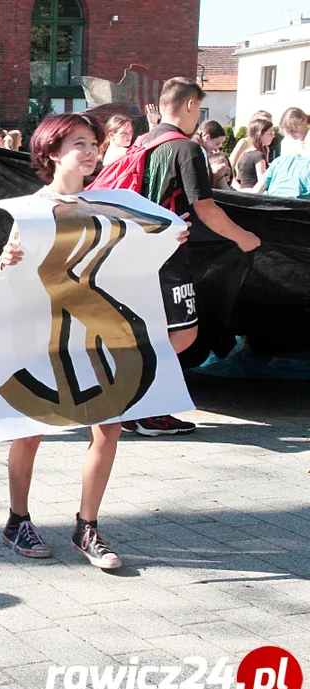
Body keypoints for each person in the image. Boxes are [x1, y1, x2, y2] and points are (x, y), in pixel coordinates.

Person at [0, 113, 142, 569]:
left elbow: (126, 264)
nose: (91, 150)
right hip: (40, 329)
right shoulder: (32, 209)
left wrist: (167, 240)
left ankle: (88, 527)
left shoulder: (104, 205)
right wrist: (7, 260)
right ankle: (17, 519)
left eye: (94, 142)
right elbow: (11, 277)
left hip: (92, 329)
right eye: (80, 142)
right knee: (31, 429)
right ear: (52, 152)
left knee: (109, 425)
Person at [126, 76, 260, 437]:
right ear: (188, 105)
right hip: (167, 254)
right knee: (182, 333)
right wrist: (244, 237)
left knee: (159, 332)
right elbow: (205, 206)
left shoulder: (145, 141)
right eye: (198, 109)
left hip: (138, 251)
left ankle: (140, 404)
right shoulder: (185, 148)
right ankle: (141, 406)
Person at [232, 117, 273, 192]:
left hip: (243, 192)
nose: (273, 136)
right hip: (253, 195)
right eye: (270, 133)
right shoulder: (258, 156)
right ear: (260, 134)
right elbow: (262, 181)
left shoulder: (245, 154)